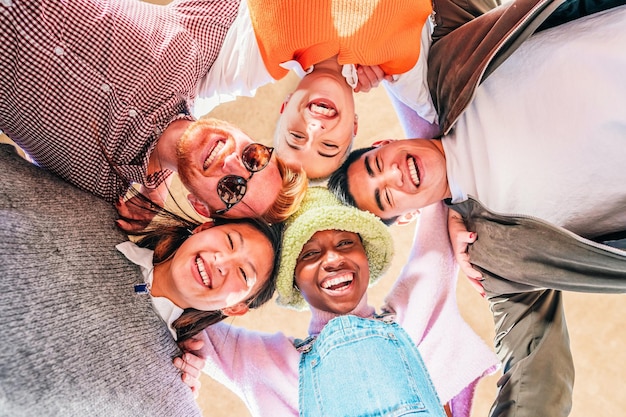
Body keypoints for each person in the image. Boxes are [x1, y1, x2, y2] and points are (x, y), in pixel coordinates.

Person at [328, 6, 626, 416]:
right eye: (386, 198)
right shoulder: (490, 253)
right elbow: (536, 379)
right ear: (410, 215)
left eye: (378, 166)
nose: (394, 176)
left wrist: (344, 63)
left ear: (385, 144)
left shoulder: (447, 64)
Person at [173, 187, 499, 417]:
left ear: (366, 257)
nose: (332, 258)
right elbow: (171, 299)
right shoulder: (266, 365)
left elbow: (433, 171)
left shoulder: (417, 312)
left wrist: (453, 214)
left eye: (346, 242)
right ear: (294, 281)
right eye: (310, 253)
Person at [0, 0, 307, 227]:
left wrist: (154, 188)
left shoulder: (97, 190)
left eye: (232, 188)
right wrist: (338, 69)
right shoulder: (197, 42)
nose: (230, 162)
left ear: (201, 206)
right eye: (253, 159)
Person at [195, 0, 442, 180]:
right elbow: (458, 129)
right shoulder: (402, 68)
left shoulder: (262, 54)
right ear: (354, 126)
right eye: (328, 146)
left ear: (286, 105)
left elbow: (189, 95)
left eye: (296, 137)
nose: (314, 130)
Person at [119, 212, 284, 343]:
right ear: (204, 228)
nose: (220, 262)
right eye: (230, 241)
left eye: (243, 273)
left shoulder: (163, 371)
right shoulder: (99, 223)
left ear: (235, 308)